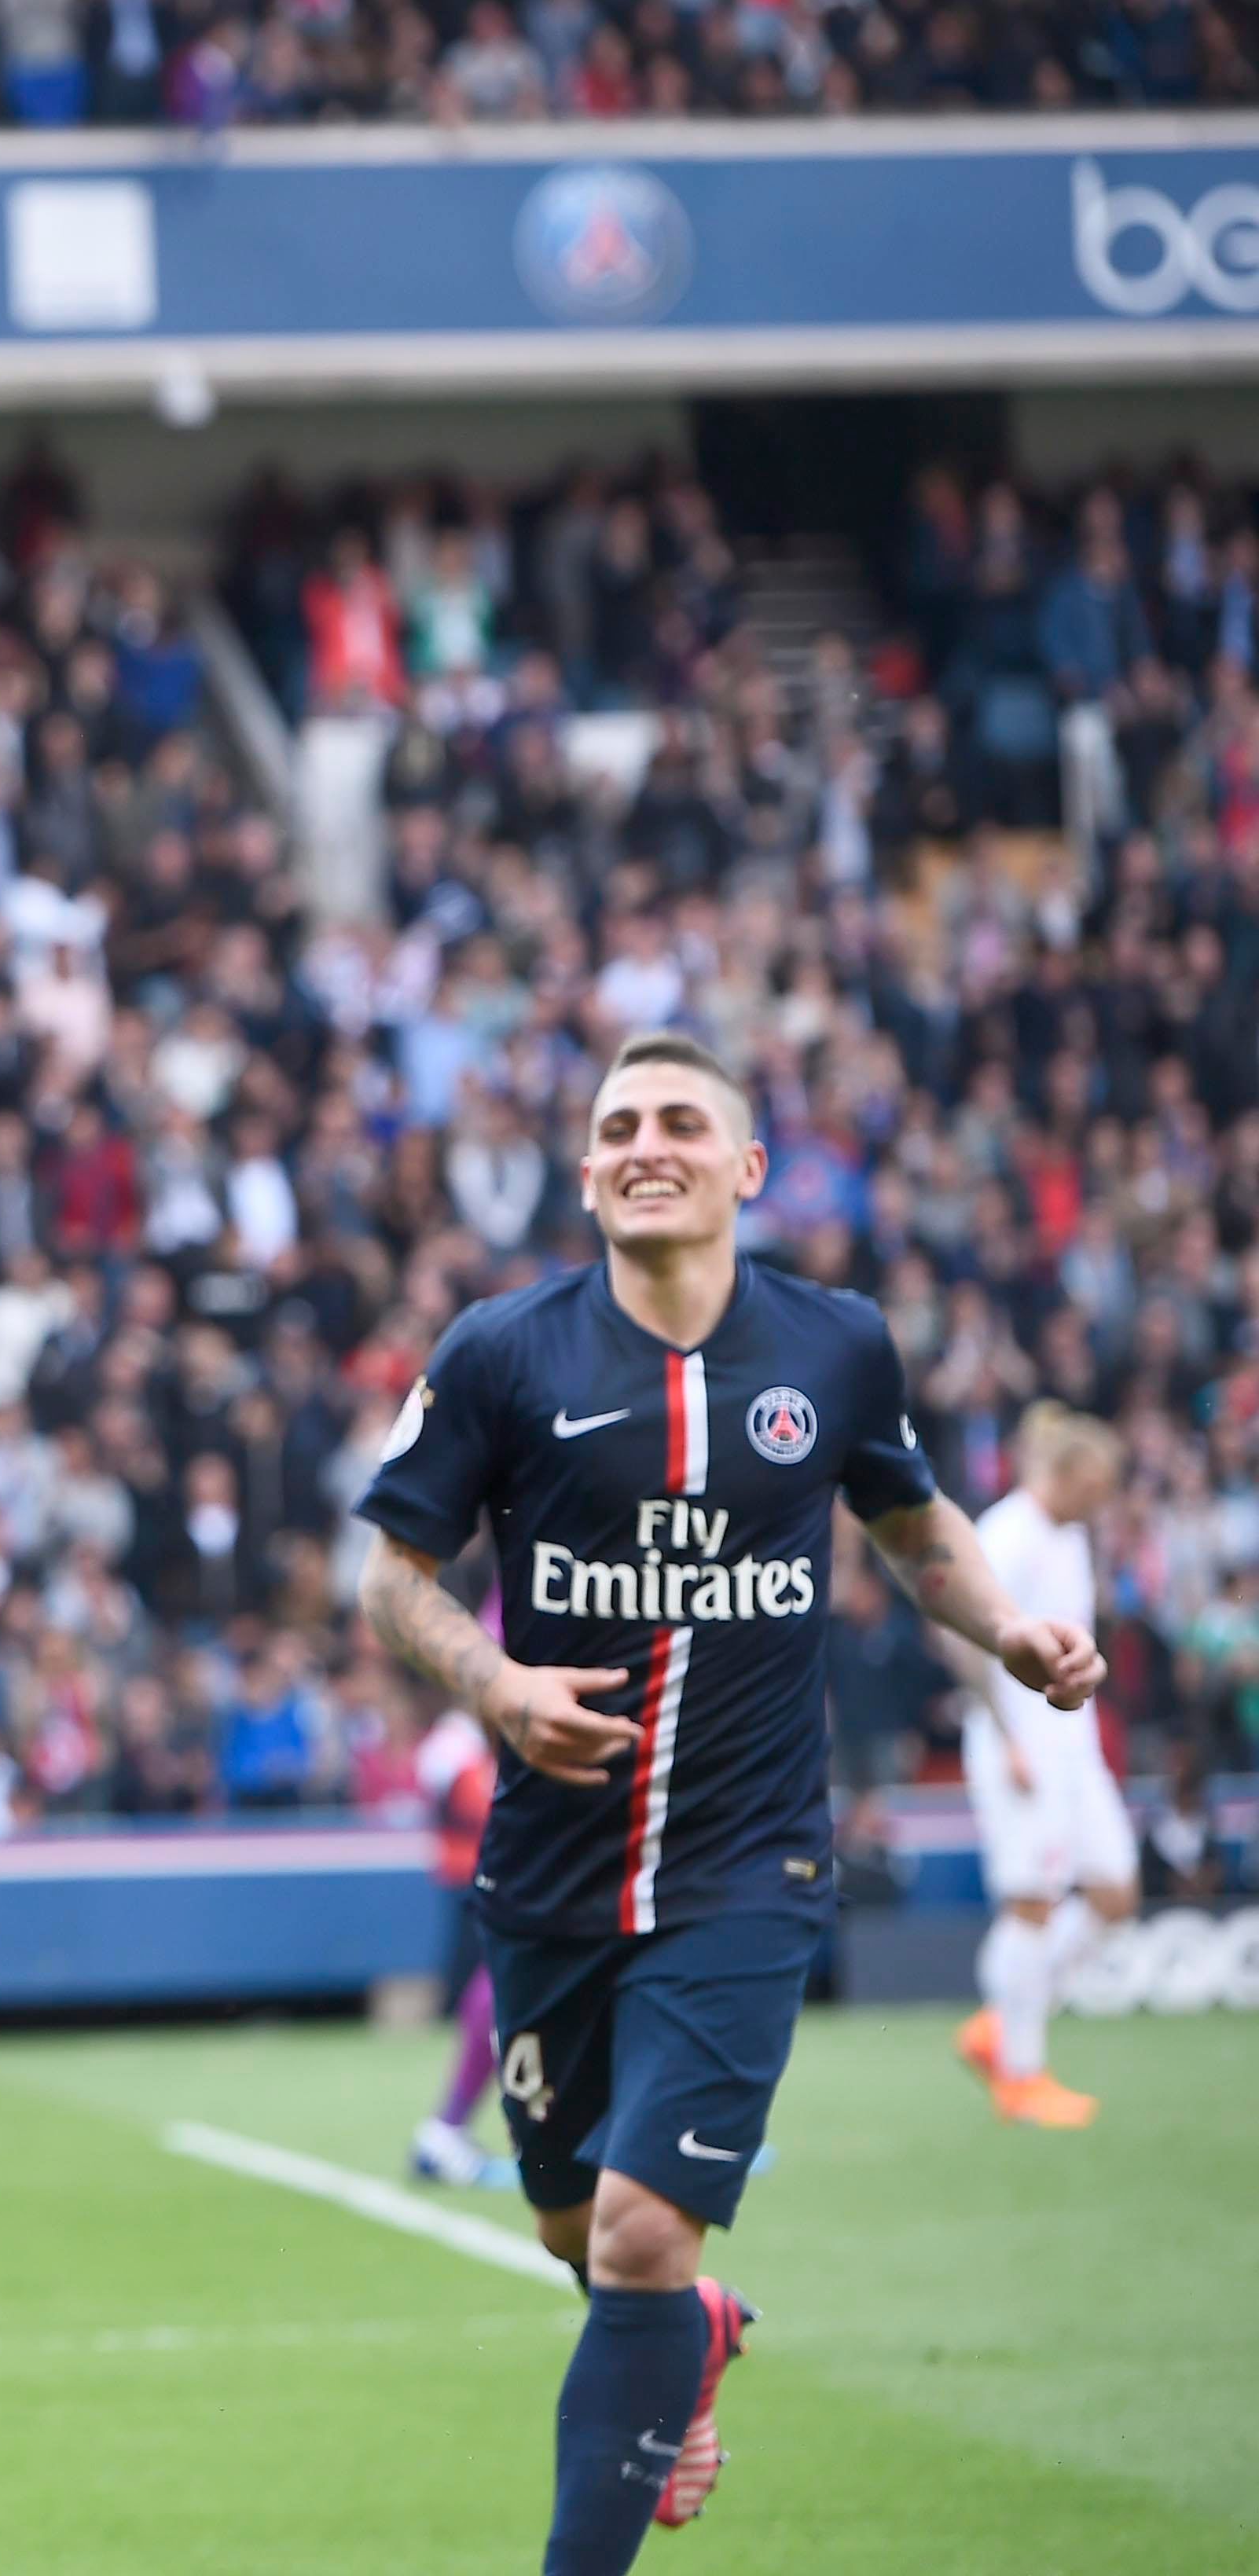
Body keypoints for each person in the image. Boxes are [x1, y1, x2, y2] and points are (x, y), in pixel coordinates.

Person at [354, 1027, 1103, 2575]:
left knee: (635, 2226)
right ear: (583, 1170)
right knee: (582, 2238)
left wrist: (1009, 1631)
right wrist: (494, 1686)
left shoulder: (833, 1348)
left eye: (681, 1121)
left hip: (746, 1869)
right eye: (618, 1122)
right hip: (552, 1870)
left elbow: (910, 1518)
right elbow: (389, 1580)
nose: (647, 1142)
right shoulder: (501, 1351)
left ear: (744, 1166)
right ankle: (685, 2330)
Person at [950, 1403, 1138, 2128]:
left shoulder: (1068, 1537)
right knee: (1033, 1901)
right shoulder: (1007, 1532)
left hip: (1073, 1746)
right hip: (1019, 1744)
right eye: (1095, 1484)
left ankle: (1002, 2022)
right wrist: (1005, 1736)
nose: (1102, 1498)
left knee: (1115, 1895)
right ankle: (1021, 2072)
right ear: (1063, 1473)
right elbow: (963, 1640)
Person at [407, 1698, 517, 2190]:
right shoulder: (455, 1745)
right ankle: (448, 2129)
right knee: (505, 1974)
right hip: (485, 1872)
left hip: (502, 1867)